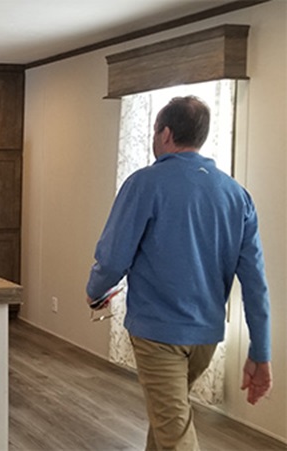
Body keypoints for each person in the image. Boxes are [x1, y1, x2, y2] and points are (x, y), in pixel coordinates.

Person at [85, 96, 272, 450]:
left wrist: (95, 291)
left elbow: (113, 257)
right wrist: (260, 351)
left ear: (166, 134)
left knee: (174, 432)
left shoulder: (145, 183)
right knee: (168, 421)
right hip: (205, 337)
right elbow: (255, 284)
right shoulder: (237, 195)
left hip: (158, 334)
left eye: (155, 132)